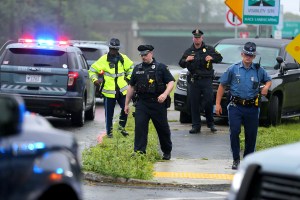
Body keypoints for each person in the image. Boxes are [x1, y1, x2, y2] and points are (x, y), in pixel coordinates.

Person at [215, 42, 272, 170]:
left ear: (254, 57)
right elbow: (222, 85)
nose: (248, 57)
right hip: (236, 106)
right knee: (234, 131)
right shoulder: (233, 69)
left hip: (252, 107)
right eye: (246, 54)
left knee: (251, 134)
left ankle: (247, 160)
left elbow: (268, 80)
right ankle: (236, 159)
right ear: (242, 54)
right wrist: (218, 104)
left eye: (251, 55)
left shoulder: (259, 70)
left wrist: (266, 87)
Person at [124, 44, 175, 160]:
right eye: (141, 55)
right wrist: (126, 104)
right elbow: (131, 86)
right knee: (140, 128)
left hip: (158, 103)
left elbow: (171, 82)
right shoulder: (137, 69)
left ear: (151, 53)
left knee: (162, 129)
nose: (143, 57)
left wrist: (165, 94)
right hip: (142, 103)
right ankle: (139, 152)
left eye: (145, 55)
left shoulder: (161, 67)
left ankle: (167, 151)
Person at [178, 29, 223, 134]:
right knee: (194, 103)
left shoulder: (209, 49)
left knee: (208, 101)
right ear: (193, 38)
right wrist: (186, 60)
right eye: (195, 37)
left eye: (199, 37)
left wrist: (211, 58)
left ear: (202, 38)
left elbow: (219, 58)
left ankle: (210, 123)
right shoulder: (189, 51)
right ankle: (196, 126)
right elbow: (180, 63)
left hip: (206, 80)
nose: (197, 39)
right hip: (194, 81)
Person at [89, 38, 134, 138]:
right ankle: (109, 133)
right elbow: (92, 70)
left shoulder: (123, 58)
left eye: (115, 49)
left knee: (125, 109)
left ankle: (121, 128)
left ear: (118, 49)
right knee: (109, 114)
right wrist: (95, 80)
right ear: (109, 48)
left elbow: (131, 68)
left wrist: (128, 78)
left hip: (122, 90)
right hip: (109, 92)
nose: (113, 51)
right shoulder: (103, 59)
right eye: (112, 49)